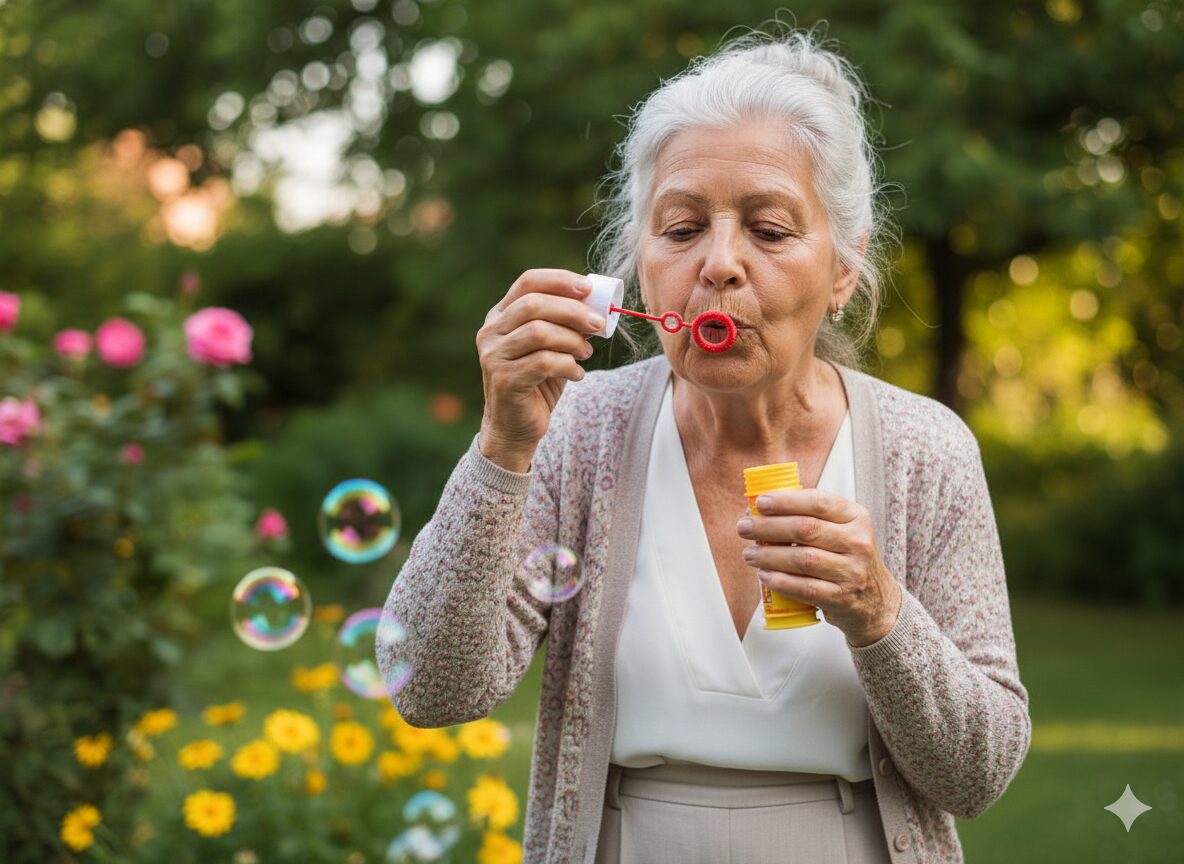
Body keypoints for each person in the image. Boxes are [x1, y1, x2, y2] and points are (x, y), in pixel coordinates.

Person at [378, 27, 1030, 864]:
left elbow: (978, 776)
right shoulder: (577, 429)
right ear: (640, 266)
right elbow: (429, 688)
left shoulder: (925, 450)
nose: (719, 263)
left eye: (768, 228)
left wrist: (879, 611)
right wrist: (503, 447)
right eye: (682, 230)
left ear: (842, 269)